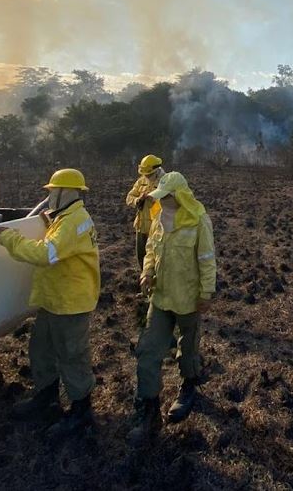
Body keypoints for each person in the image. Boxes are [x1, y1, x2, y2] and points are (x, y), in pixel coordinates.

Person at [0, 168, 100, 439]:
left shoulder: (75, 221)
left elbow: (46, 253)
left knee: (72, 356)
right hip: (55, 299)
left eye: (52, 191)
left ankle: (81, 410)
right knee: (41, 349)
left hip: (71, 303)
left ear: (66, 192)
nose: (49, 196)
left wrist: (10, 238)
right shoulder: (65, 219)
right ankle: (47, 397)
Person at [127, 171, 216, 446]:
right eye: (160, 197)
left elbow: (206, 258)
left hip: (188, 299)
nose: (161, 201)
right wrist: (147, 272)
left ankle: (188, 386)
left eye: (165, 197)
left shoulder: (198, 220)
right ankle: (149, 410)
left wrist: (206, 292)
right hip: (161, 297)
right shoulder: (157, 218)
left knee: (188, 348)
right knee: (148, 350)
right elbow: (152, 249)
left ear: (178, 196)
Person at [125, 155, 165, 269]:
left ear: (156, 170)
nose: (147, 177)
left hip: (158, 227)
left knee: (156, 257)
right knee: (141, 256)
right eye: (145, 174)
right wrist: (138, 200)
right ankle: (144, 278)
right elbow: (129, 197)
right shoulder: (141, 181)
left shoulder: (166, 181)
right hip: (141, 225)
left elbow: (171, 202)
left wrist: (155, 199)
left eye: (149, 174)